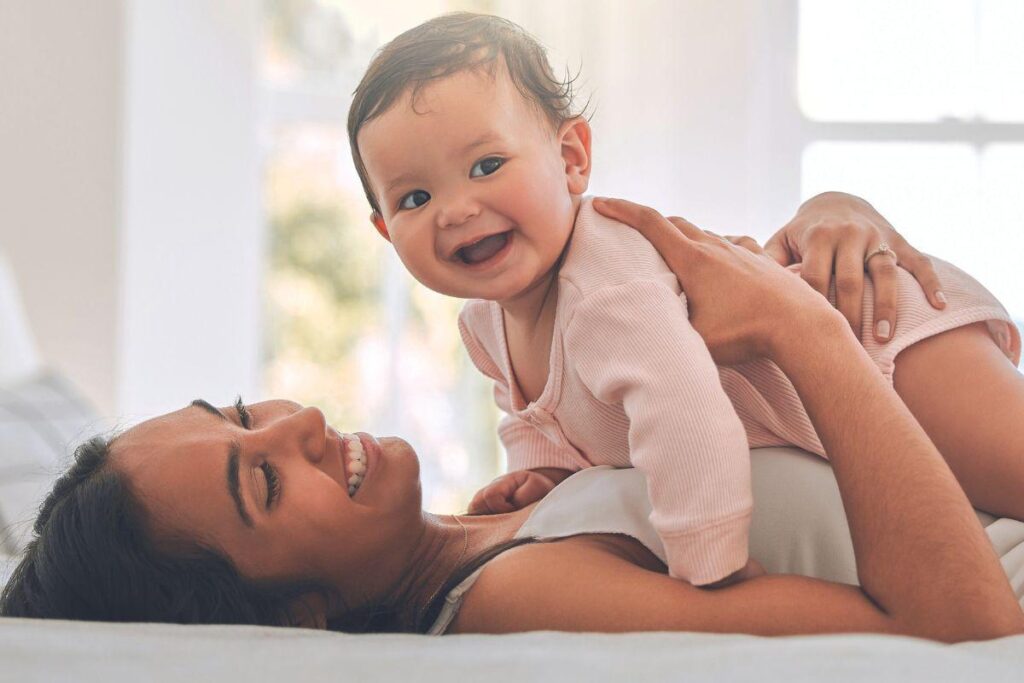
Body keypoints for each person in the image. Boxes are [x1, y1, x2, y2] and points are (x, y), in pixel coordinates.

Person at [2, 200, 1022, 643]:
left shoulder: (508, 508)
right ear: (299, 616)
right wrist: (808, 332)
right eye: (261, 481)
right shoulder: (516, 593)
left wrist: (835, 217)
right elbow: (962, 628)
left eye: (237, 415)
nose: (299, 419)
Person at [349, 12, 1022, 585]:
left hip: (880, 332)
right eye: (415, 197)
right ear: (384, 227)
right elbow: (548, 420)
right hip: (841, 397)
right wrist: (546, 480)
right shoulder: (484, 326)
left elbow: (686, 417)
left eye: (486, 166)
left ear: (571, 157)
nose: (457, 209)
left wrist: (710, 566)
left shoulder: (604, 286)